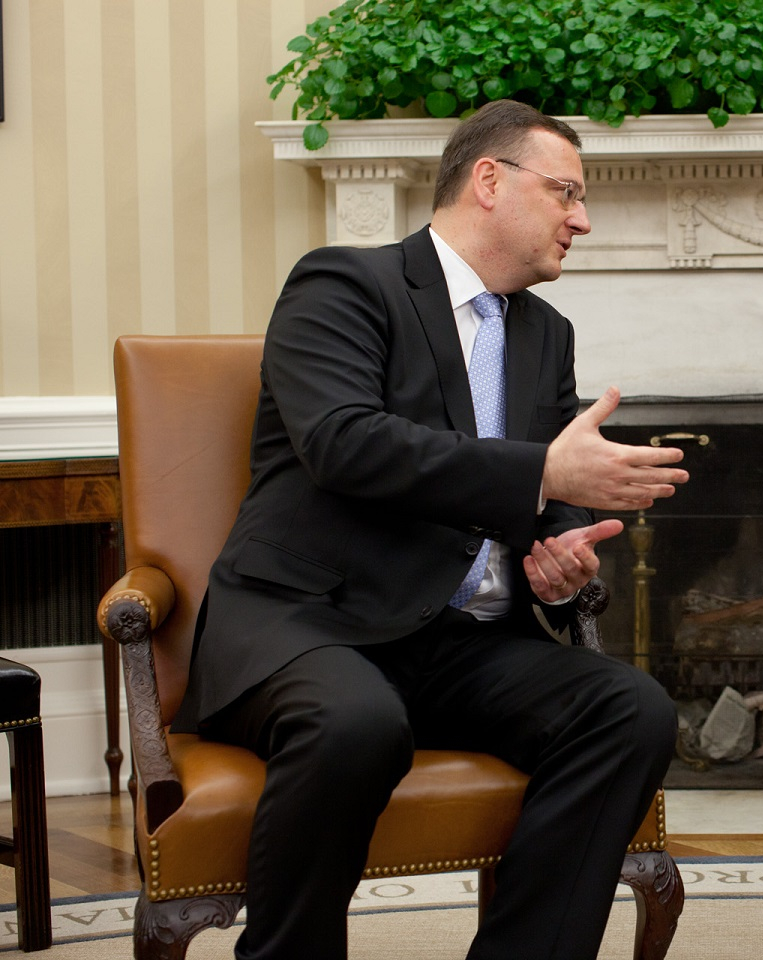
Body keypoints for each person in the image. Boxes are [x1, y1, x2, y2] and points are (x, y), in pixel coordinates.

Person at [168, 99, 690, 960]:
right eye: (566, 192)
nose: (582, 219)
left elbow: (543, 493)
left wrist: (555, 550)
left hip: (455, 642)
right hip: (309, 622)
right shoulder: (344, 283)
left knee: (629, 709)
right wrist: (544, 477)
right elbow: (343, 443)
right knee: (356, 721)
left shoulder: (544, 334)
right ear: (490, 180)